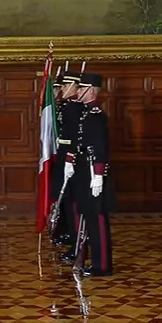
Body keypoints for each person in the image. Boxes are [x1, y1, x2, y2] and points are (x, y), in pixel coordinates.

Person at [67, 72, 114, 277]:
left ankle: (102, 265)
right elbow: (78, 143)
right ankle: (94, 261)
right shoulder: (85, 113)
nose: (77, 91)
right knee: (88, 214)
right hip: (82, 170)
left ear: (90, 91)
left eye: (81, 88)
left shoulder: (95, 115)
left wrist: (98, 174)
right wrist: (70, 161)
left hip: (91, 170)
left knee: (97, 217)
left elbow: (99, 147)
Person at [50, 70, 82, 247]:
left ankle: (74, 236)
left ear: (73, 87)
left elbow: (76, 137)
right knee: (66, 200)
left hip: (71, 158)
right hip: (64, 155)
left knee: (71, 200)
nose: (61, 89)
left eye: (64, 86)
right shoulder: (67, 106)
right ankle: (69, 233)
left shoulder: (74, 108)